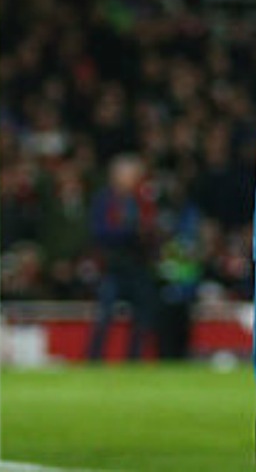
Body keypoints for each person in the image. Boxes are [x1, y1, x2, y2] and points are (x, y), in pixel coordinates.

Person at [85, 153, 160, 363]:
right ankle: (93, 359)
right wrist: (130, 232)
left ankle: (134, 360)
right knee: (104, 316)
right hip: (112, 267)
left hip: (138, 266)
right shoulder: (104, 201)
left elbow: (151, 231)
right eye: (129, 175)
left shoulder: (142, 200)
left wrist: (146, 235)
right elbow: (99, 232)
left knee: (143, 317)